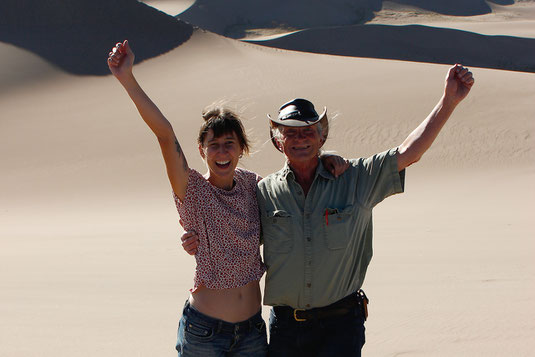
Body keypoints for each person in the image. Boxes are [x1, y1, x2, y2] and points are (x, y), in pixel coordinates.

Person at [182, 63, 475, 356]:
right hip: (286, 329)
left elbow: (409, 152)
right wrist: (195, 239)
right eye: (290, 133)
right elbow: (234, 230)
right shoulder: (263, 191)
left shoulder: (354, 179)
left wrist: (449, 101)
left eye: (308, 132)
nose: (300, 139)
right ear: (278, 141)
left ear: (322, 137)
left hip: (341, 327)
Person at [107, 40, 349, 357]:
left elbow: (295, 186)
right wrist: (127, 77)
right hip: (204, 332)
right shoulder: (191, 189)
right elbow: (165, 134)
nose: (222, 152)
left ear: (241, 148)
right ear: (201, 151)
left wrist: (327, 157)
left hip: (251, 332)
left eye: (229, 143)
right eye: (214, 144)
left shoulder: (254, 186)